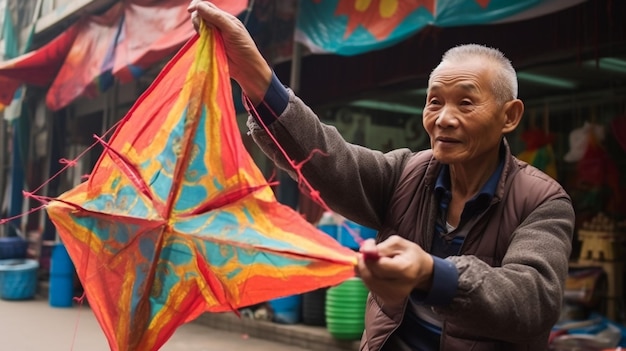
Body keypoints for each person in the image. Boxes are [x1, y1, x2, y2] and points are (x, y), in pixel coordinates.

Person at [188, 2, 575, 350]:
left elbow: (533, 298)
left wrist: (431, 273)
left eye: (467, 103)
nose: (444, 118)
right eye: (435, 102)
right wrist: (256, 78)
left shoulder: (542, 201)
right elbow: (329, 160)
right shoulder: (405, 173)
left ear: (509, 116)